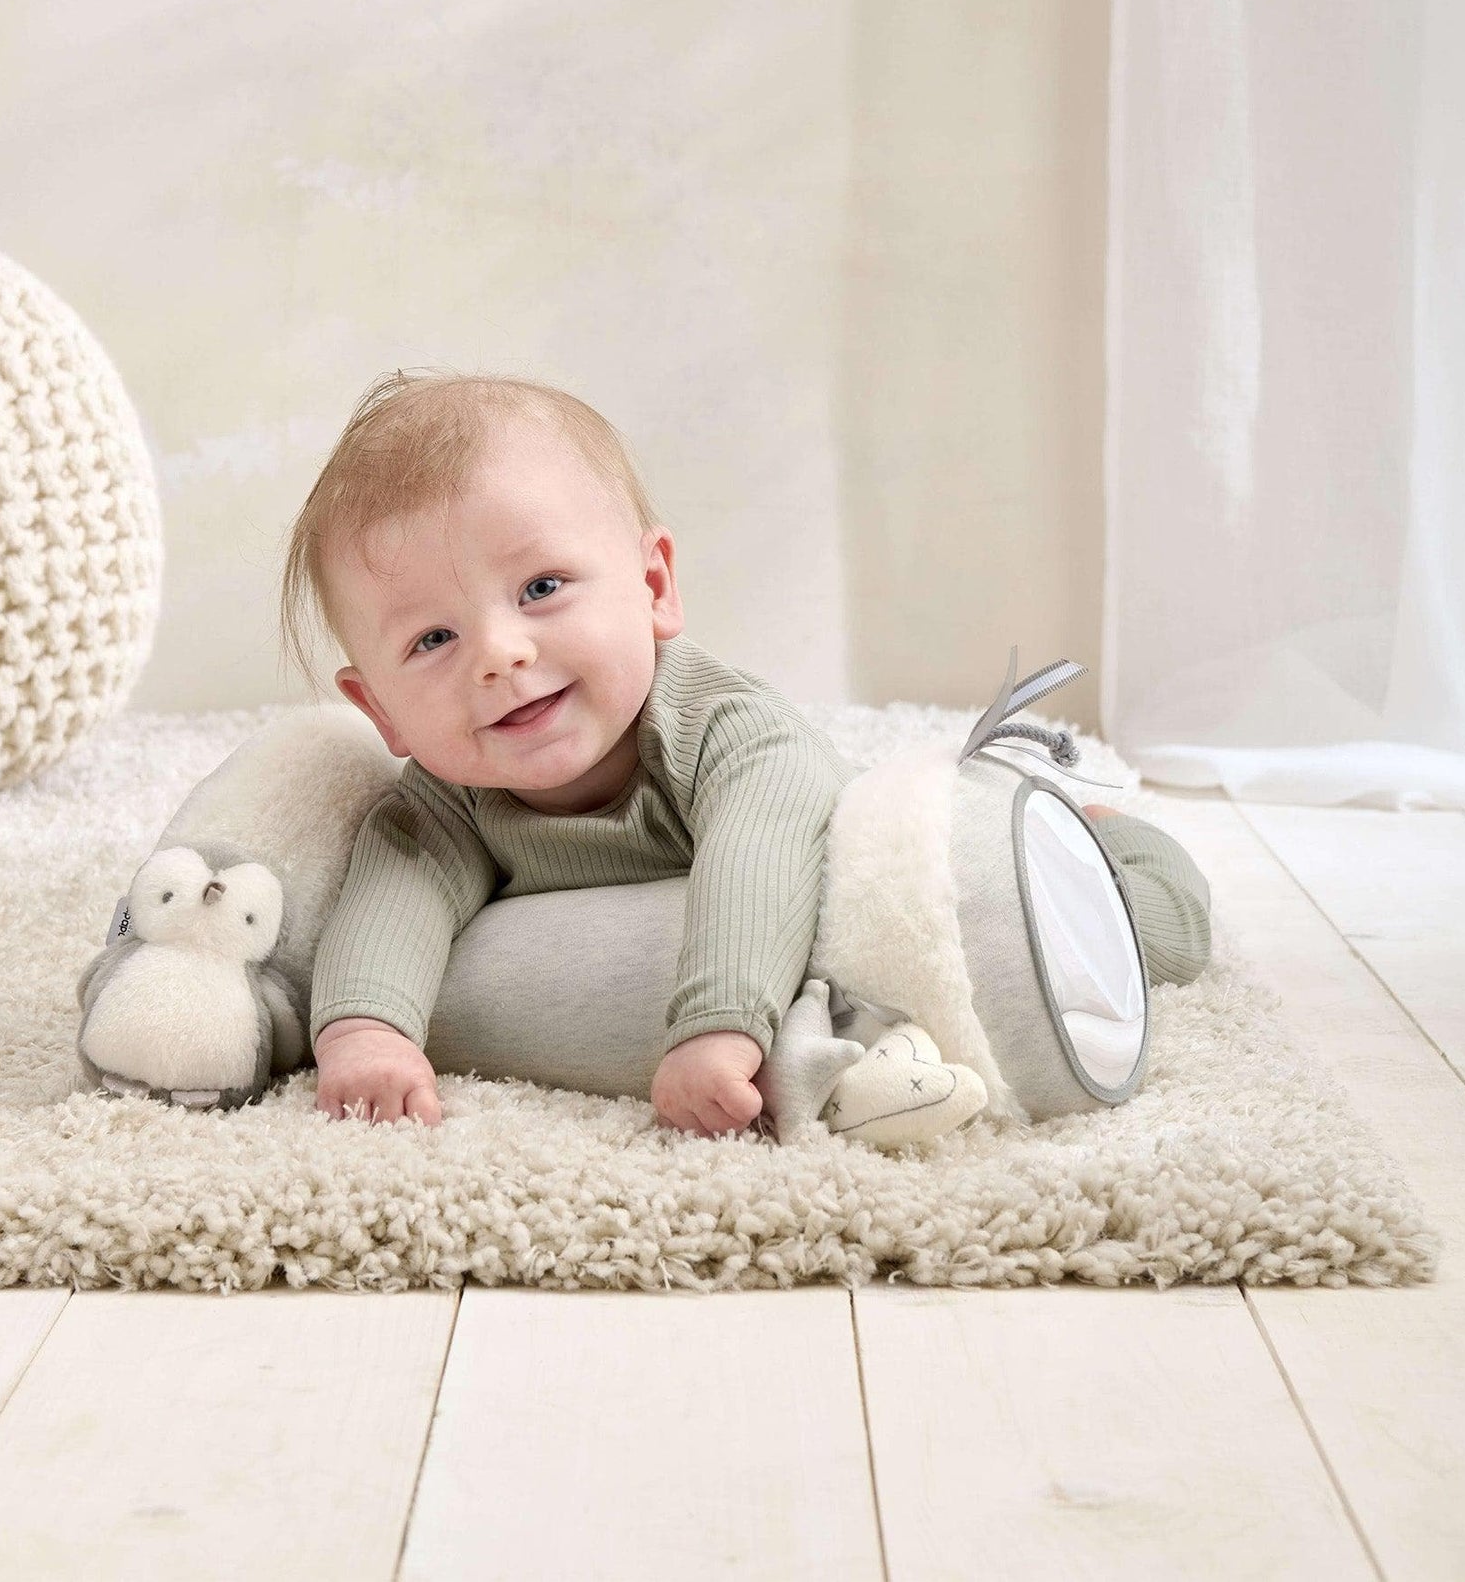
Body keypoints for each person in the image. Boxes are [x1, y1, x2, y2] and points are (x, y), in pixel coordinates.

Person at [279, 370, 1209, 1141]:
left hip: (875, 889)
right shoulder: (442, 799)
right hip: (789, 970)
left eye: (542, 587)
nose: (500, 653)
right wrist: (366, 1034)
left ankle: (1108, 840)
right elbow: (390, 902)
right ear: (381, 711)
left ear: (653, 589)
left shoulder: (732, 735)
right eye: (433, 641)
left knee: (1134, 934)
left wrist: (716, 1030)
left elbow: (755, 862)